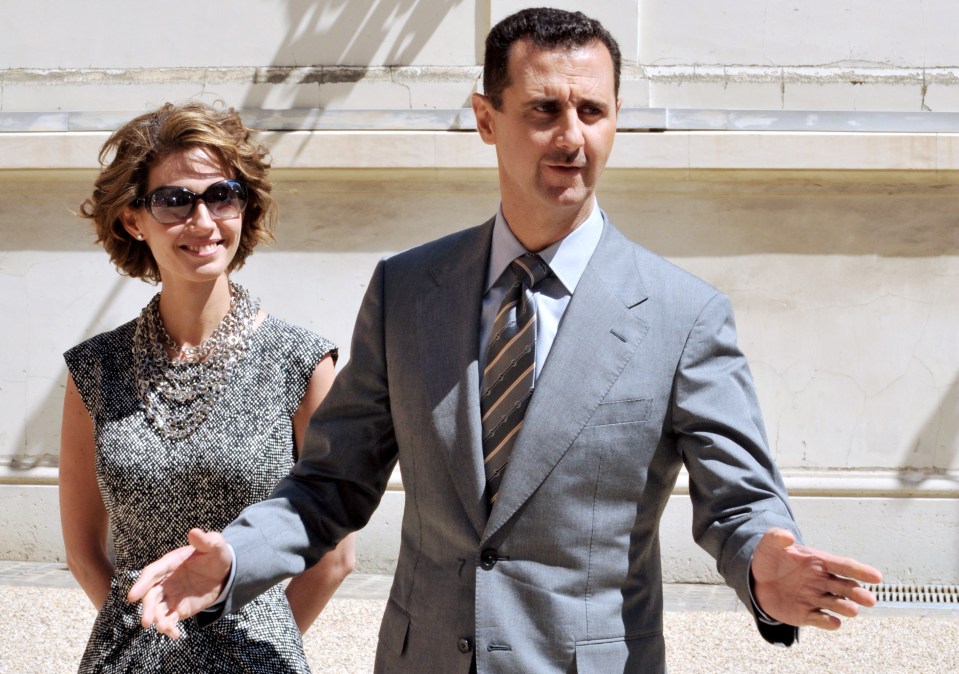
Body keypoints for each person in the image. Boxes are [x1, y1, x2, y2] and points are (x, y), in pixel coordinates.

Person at [129, 10, 882, 673]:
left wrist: (765, 562)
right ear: (486, 118)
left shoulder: (684, 314)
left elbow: (738, 500)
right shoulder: (405, 290)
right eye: (543, 110)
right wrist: (236, 557)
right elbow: (331, 483)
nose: (571, 138)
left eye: (593, 110)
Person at [59, 100, 355, 673]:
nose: (203, 222)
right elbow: (82, 549)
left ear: (245, 208)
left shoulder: (302, 363)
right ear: (132, 219)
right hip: (129, 658)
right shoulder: (94, 370)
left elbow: (334, 556)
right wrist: (150, 632)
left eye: (222, 195)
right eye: (174, 200)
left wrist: (254, 642)